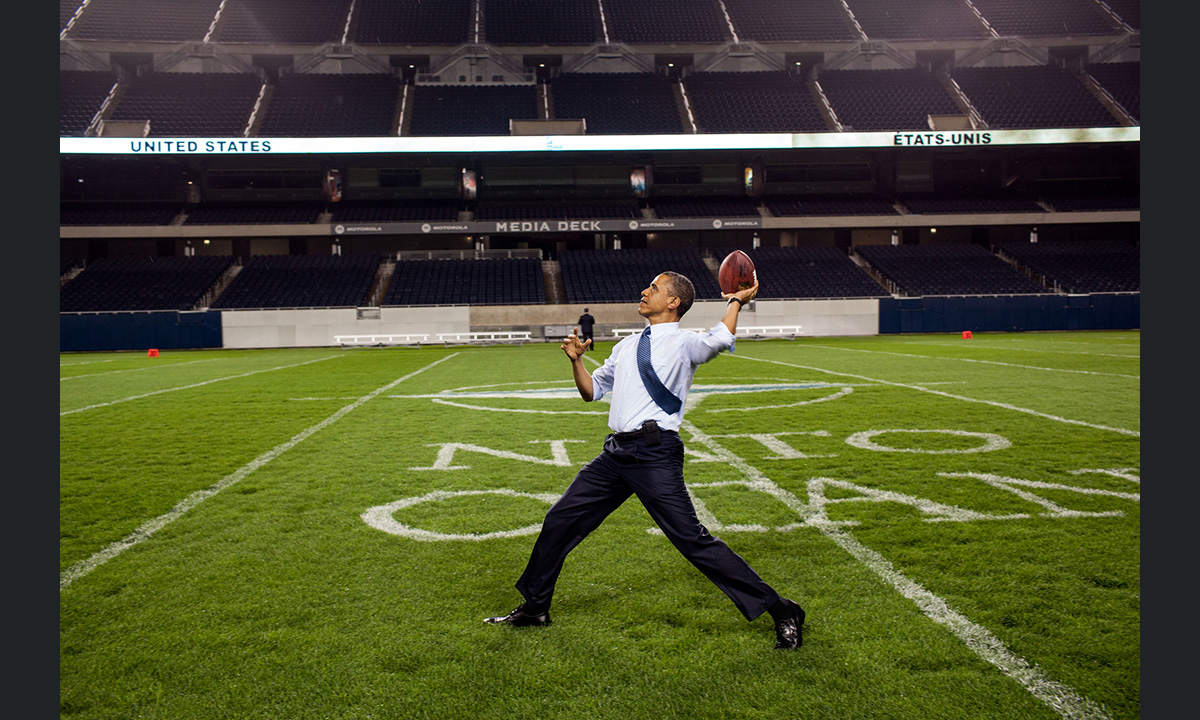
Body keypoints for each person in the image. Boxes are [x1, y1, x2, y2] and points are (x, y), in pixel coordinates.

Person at [485, 270, 805, 650]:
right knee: (560, 521)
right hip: (615, 453)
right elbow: (592, 392)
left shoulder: (686, 343)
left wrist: (735, 301)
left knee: (692, 541)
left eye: (653, 288)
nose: (644, 291)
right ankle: (535, 607)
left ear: (673, 302)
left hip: (654, 454)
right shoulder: (626, 345)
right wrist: (576, 362)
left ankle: (783, 610)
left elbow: (720, 339)